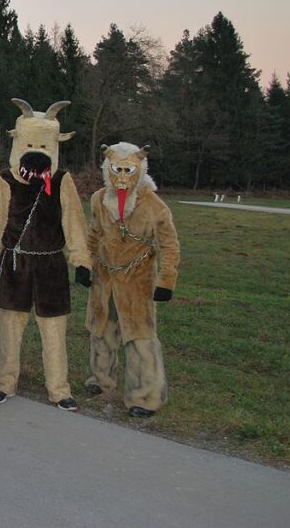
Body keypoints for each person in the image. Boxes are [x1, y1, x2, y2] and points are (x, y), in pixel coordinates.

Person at [0, 99, 91, 411]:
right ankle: (4, 383)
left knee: (54, 329)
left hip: (51, 265)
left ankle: (59, 389)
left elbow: (73, 221)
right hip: (15, 264)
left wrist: (81, 260)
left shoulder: (61, 180)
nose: (36, 151)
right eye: (30, 144)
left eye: (43, 145)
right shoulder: (5, 179)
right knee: (9, 327)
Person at [85, 143, 179, 418]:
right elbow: (93, 233)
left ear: (140, 169)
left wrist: (166, 280)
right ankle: (101, 379)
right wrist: (84, 263)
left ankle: (146, 395)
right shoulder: (99, 199)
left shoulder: (154, 205)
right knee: (101, 329)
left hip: (137, 280)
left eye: (129, 170)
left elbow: (170, 245)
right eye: (117, 169)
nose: (122, 176)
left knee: (139, 335)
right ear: (108, 169)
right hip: (104, 277)